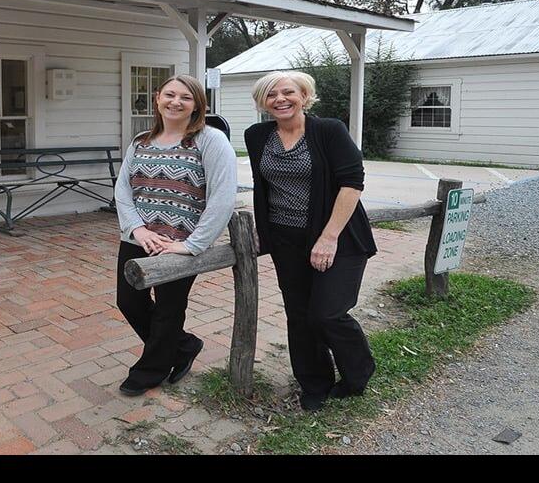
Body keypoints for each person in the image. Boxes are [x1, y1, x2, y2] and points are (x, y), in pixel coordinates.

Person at [243, 71, 378, 412]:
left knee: (327, 314)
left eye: (288, 92)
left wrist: (328, 237)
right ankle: (314, 384)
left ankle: (358, 372)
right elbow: (266, 187)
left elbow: (352, 183)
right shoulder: (257, 135)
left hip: (339, 236)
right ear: (263, 102)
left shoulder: (328, 130)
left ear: (304, 95)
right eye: (271, 94)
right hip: (285, 238)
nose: (280, 99)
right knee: (299, 316)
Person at [114, 74, 237, 397]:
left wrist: (192, 245)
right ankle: (184, 346)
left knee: (168, 309)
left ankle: (150, 371)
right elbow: (123, 189)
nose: (176, 102)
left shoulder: (210, 140)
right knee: (129, 302)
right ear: (157, 98)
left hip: (178, 243)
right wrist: (137, 229)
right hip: (138, 240)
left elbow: (222, 197)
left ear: (197, 104)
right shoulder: (140, 140)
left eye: (185, 97)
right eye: (170, 95)